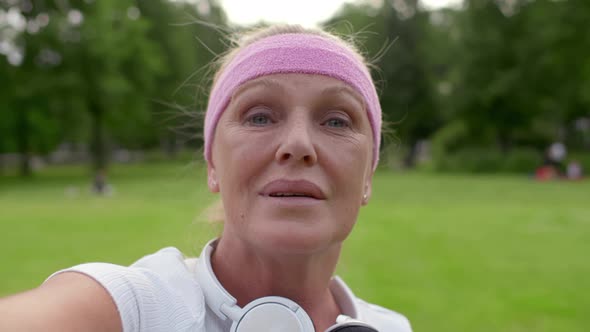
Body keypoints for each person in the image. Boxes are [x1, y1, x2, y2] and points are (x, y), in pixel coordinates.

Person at [0, 25, 412, 332]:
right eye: (260, 116)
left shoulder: (393, 328)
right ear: (212, 164)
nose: (299, 144)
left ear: (367, 177)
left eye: (337, 121)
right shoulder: (138, 308)